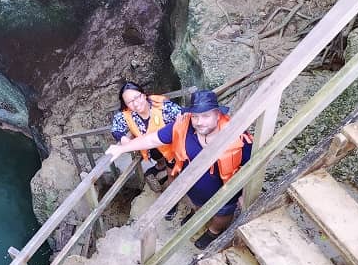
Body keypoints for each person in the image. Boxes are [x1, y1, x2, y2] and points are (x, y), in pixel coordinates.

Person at [105, 90, 253, 249]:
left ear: (218, 115)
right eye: (195, 116)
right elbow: (152, 139)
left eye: (205, 116)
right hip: (193, 185)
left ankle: (213, 232)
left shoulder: (238, 138)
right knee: (197, 203)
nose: (199, 122)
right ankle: (198, 214)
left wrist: (244, 194)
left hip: (225, 189)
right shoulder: (184, 126)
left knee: (222, 213)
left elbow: (250, 166)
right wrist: (123, 148)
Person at [111, 81, 182, 220]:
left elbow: (182, 116)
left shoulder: (164, 108)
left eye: (137, 97)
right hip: (152, 148)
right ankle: (159, 166)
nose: (136, 104)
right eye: (130, 102)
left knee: (172, 174)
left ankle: (171, 202)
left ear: (144, 95)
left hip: (172, 147)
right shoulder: (127, 115)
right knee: (157, 156)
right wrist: (123, 138)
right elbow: (116, 127)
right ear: (126, 105)